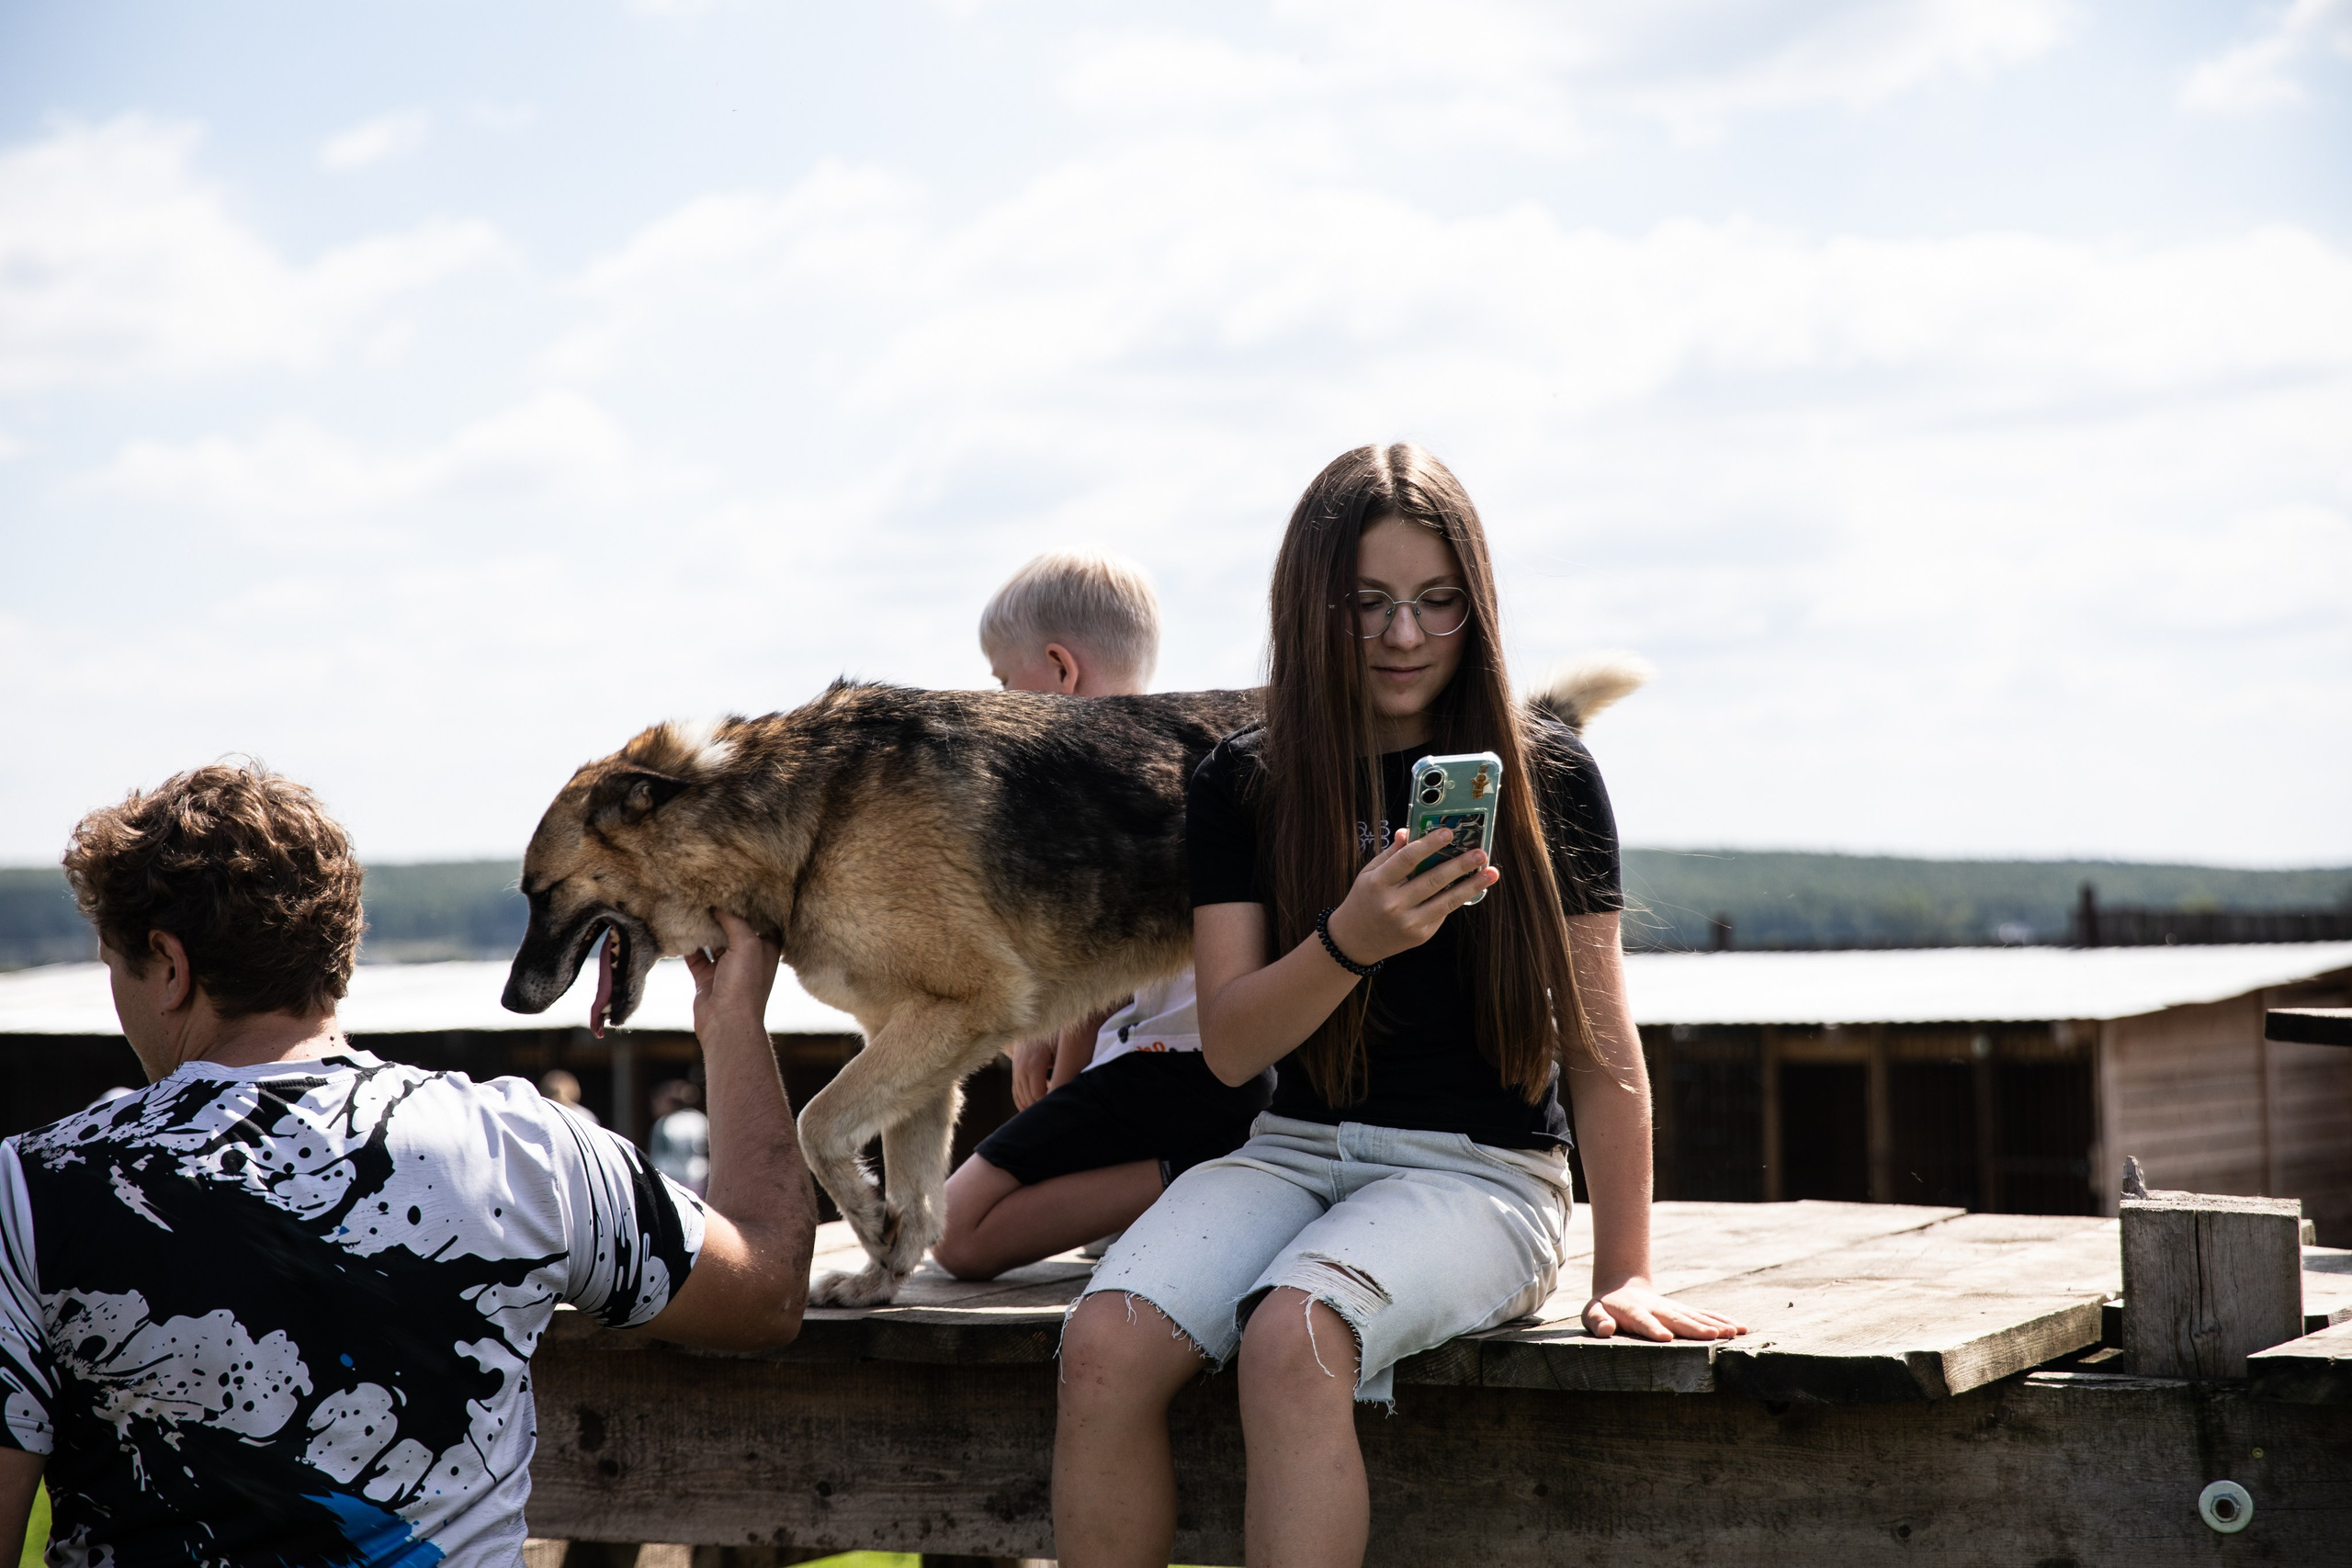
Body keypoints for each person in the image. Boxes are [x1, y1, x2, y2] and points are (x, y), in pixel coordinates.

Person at [1052, 446, 1748, 1567]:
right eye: (1367, 604)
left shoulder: (1546, 775)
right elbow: (1229, 1048)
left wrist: (1625, 1268)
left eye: (1436, 602)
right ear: (1309, 606)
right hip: (1287, 1152)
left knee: (1296, 1337)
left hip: (1480, 1173)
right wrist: (1349, 942)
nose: (1405, 637)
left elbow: (1598, 1046)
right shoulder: (1245, 779)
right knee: (1103, 1340)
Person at [0, 763, 817, 1566]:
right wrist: (731, 1016)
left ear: (169, 965)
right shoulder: (521, 1146)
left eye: (118, 968)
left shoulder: (33, 1188)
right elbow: (768, 1287)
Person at [933, 549, 1273, 1281]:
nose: (996, 702)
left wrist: (1056, 1087)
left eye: (1001, 681)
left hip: (1169, 1068)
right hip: (1201, 1064)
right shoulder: (1193, 757)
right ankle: (1179, 1189)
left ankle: (1212, 1171)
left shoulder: (1092, 783)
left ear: (1061, 670)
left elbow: (1103, 970)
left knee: (956, 1233)